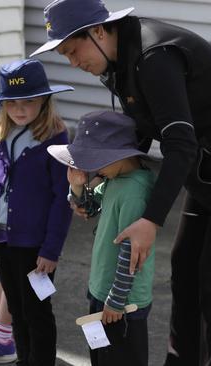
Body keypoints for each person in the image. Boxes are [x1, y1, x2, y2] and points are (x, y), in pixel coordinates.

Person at [31, 0, 211, 365]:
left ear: (99, 31)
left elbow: (179, 142)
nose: (73, 62)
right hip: (207, 170)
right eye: (64, 55)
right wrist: (91, 183)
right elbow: (137, 133)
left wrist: (151, 220)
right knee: (185, 267)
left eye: (73, 50)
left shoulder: (155, 57)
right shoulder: (117, 63)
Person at [0, 59, 73, 366]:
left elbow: (61, 198)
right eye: (11, 102)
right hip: (1, 238)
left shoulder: (55, 139)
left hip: (36, 246)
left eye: (28, 101)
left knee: (37, 310)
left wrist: (51, 249)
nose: (20, 109)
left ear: (44, 100)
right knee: (15, 306)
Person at [48, 110, 156, 366]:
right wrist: (76, 186)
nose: (91, 168)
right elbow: (89, 208)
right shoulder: (115, 177)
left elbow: (132, 251)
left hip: (123, 304)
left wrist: (116, 302)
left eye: (95, 161)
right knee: (100, 355)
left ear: (119, 156)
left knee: (120, 358)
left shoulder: (134, 191)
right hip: (103, 291)